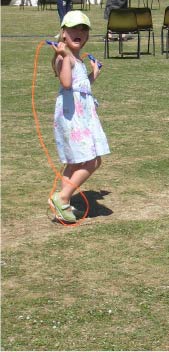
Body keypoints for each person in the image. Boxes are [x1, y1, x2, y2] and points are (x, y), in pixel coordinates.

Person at [48, 11, 110, 223]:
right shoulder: (64, 58)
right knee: (92, 161)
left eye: (83, 30)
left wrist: (93, 74)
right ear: (63, 34)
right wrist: (64, 57)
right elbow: (66, 83)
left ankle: (59, 200)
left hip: (82, 116)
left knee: (76, 162)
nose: (79, 33)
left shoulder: (77, 59)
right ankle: (63, 197)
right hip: (72, 117)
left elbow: (79, 86)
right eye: (73, 28)